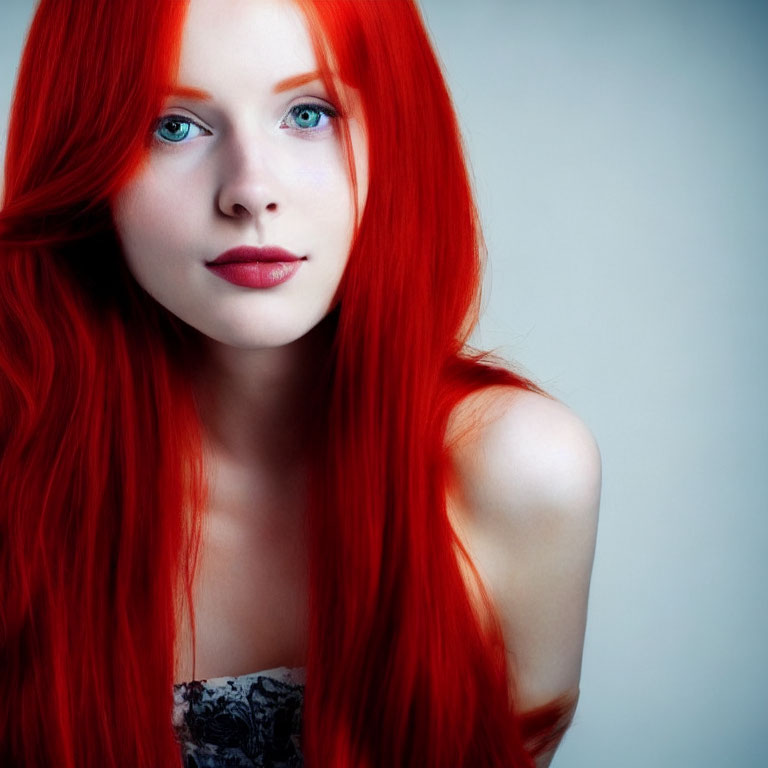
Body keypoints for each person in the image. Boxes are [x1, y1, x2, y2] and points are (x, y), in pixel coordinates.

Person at [0, 0, 601, 766]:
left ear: (398, 133)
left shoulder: (517, 471)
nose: (250, 190)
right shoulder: (20, 474)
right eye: (173, 125)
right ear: (79, 159)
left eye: (309, 112)